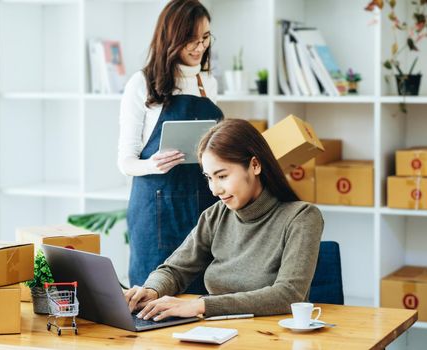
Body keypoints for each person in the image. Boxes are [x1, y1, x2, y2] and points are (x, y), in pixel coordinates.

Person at [124, 119, 324, 320]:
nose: (214, 189)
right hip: (217, 333)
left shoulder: (302, 217)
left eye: (222, 176)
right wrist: (151, 290)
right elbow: (175, 270)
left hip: (273, 336)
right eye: (209, 178)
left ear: (254, 165)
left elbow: (288, 295)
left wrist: (201, 305)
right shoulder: (216, 215)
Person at [118, 0, 223, 293]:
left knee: (201, 300)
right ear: (171, 38)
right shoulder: (141, 84)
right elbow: (125, 162)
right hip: (156, 210)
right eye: (192, 40)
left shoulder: (208, 83)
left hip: (203, 206)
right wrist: (154, 163)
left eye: (205, 38)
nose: (200, 47)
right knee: (149, 299)